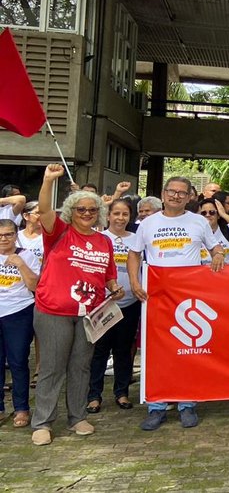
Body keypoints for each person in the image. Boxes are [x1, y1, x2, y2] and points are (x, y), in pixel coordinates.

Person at [30, 164, 122, 446]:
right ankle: (43, 422)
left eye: (92, 210)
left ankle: (77, 416)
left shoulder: (104, 241)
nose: (86, 214)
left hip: (89, 314)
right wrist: (47, 181)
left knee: (81, 366)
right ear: (71, 212)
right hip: (54, 311)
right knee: (52, 367)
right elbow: (45, 210)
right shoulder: (58, 231)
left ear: (99, 213)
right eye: (80, 209)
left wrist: (114, 288)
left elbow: (107, 275)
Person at [129, 176, 228, 431]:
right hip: (156, 297)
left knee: (188, 350)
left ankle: (187, 404)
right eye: (171, 191)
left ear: (190, 197)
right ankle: (157, 406)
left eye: (182, 193)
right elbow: (134, 253)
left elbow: (217, 248)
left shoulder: (199, 222)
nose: (176, 196)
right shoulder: (147, 223)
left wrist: (217, 256)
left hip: (189, 298)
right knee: (158, 352)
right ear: (163, 194)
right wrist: (134, 282)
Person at [87, 199, 142, 414]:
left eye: (125, 214)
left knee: (123, 350)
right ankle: (93, 396)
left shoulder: (138, 240)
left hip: (130, 303)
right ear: (108, 215)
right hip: (103, 305)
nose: (120, 218)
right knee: (99, 351)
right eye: (116, 213)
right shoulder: (99, 239)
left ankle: (121, 392)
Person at [0, 218, 40, 429]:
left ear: (16, 235)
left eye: (8, 234)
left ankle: (22, 408)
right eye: (0, 236)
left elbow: (35, 285)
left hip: (19, 312)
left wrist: (21, 264)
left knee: (17, 362)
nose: (4, 239)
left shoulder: (27, 255)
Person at [197, 198, 229, 265]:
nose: (207, 215)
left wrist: (224, 214)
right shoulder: (196, 234)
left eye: (212, 212)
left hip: (228, 274)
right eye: (204, 213)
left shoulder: (228, 230)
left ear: (218, 215)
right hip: (204, 274)